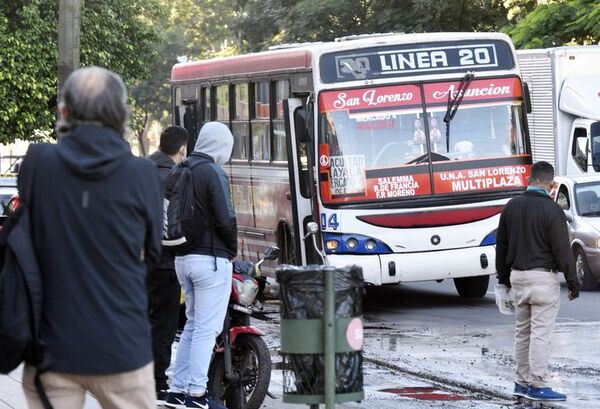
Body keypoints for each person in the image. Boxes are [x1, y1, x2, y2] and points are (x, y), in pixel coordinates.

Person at [20, 67, 163, 408]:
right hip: (123, 346)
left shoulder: (38, 164)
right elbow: (152, 254)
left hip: (51, 348)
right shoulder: (143, 174)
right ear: (122, 114)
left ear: (64, 111)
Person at [164, 122, 236, 409]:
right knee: (207, 328)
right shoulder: (212, 171)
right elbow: (225, 216)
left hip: (182, 257)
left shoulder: (179, 169)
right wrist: (231, 248)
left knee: (193, 326)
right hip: (211, 260)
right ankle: (196, 394)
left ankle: (176, 391)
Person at [496, 161, 580, 402]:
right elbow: (563, 252)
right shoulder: (552, 211)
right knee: (541, 333)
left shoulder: (510, 207)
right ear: (551, 185)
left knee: (522, 332)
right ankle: (537, 383)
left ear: (529, 180)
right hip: (543, 278)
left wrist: (503, 279)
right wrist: (573, 283)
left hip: (517, 277)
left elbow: (501, 246)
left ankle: (521, 383)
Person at [147, 126, 188, 404]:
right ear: (182, 149)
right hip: (164, 261)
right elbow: (171, 226)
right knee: (164, 323)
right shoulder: (174, 177)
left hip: (135, 259)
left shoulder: (142, 169)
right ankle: (157, 382)